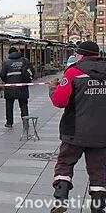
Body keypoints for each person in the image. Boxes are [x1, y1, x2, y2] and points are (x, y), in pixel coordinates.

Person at [48, 41, 106, 213]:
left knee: (65, 163)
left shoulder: (73, 72)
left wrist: (53, 89)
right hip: (102, 133)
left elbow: (60, 101)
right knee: (98, 170)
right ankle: (98, 207)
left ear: (80, 55)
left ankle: (61, 199)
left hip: (74, 130)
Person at [0, 46, 34, 128]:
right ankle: (25, 123)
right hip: (22, 87)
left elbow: (2, 75)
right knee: (23, 105)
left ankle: (9, 123)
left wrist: (7, 81)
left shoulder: (6, 62)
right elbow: (32, 72)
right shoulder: (25, 61)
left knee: (9, 106)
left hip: (10, 87)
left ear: (9, 53)